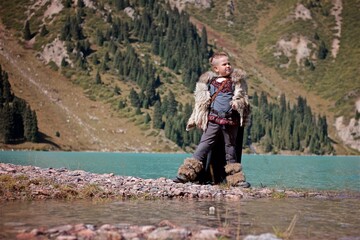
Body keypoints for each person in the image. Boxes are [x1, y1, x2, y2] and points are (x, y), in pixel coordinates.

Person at [174, 52, 251, 187]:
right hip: (213, 120)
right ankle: (186, 174)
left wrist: (237, 103)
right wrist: (200, 118)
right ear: (216, 69)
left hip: (230, 121)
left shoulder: (236, 82)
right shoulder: (209, 82)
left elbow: (243, 99)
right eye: (224, 64)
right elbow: (202, 102)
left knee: (230, 149)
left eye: (229, 63)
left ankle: (236, 180)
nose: (228, 66)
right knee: (203, 146)